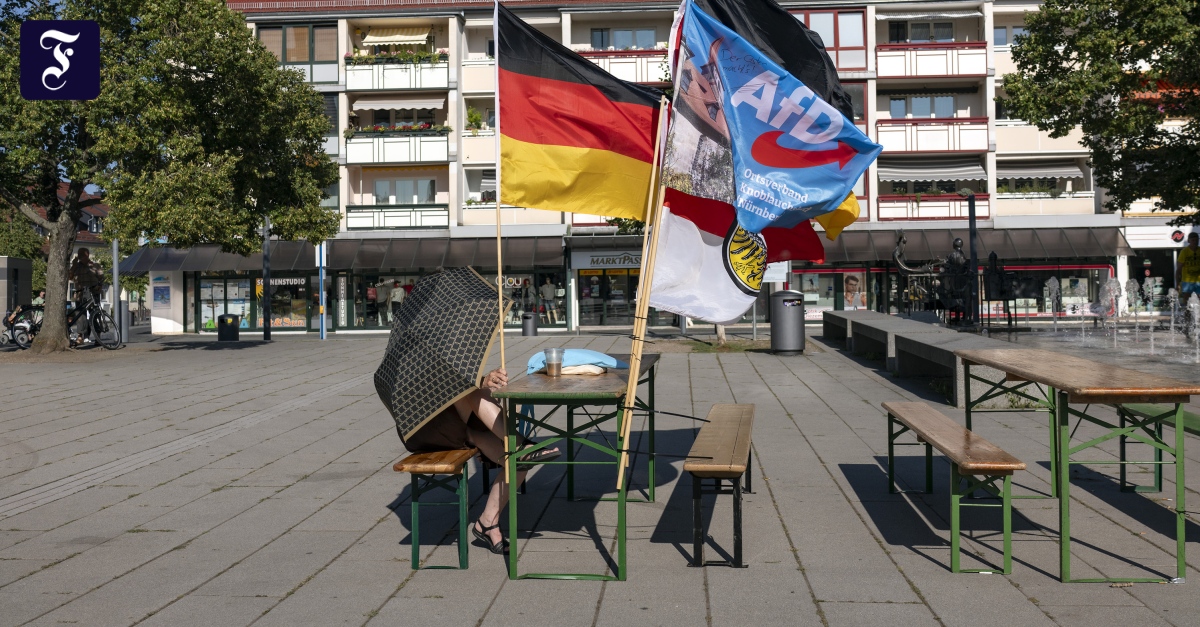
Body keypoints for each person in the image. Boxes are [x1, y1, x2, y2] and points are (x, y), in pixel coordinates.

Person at [402, 368, 560, 554]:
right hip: (423, 428)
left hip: (455, 424)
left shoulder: (447, 355)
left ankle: (487, 523)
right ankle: (519, 444)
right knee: (474, 390)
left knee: (519, 463)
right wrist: (482, 381)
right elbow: (439, 385)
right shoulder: (418, 365)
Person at [68, 248, 104, 344]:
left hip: (93, 292)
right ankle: (81, 336)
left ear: (87, 255)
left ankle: (98, 336)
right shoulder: (76, 266)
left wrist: (99, 286)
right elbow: (69, 277)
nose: (80, 257)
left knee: (95, 314)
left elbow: (101, 277)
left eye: (82, 255)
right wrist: (74, 265)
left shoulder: (95, 266)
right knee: (80, 315)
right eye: (79, 255)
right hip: (80, 293)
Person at [1177, 231, 1200, 301]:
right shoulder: (1184, 252)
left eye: (1197, 240)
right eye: (1193, 240)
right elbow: (1178, 269)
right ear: (1189, 241)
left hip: (1198, 280)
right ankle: (1187, 312)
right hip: (1187, 280)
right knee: (1187, 300)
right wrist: (1177, 283)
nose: (1195, 242)